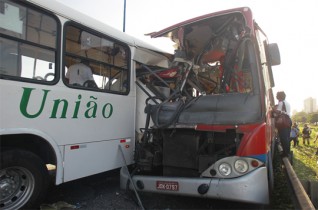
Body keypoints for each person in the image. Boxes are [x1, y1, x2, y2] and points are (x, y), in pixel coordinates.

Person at [274, 91, 291, 157]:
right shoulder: (287, 103)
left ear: (279, 96)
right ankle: (287, 152)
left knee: (283, 138)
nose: (276, 97)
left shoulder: (281, 103)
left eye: (277, 95)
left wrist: (272, 108)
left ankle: (285, 154)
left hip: (283, 122)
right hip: (288, 120)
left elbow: (277, 112)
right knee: (287, 138)